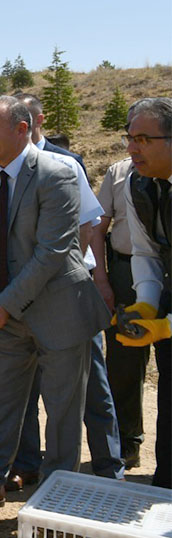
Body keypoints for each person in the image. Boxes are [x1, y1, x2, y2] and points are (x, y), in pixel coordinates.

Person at [0, 95, 110, 504]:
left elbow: (53, 252)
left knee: (63, 416)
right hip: (3, 316)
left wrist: (3, 303)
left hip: (60, 314)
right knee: (1, 409)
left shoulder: (57, 173)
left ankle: (54, 503)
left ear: (22, 129)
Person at [114, 97, 172, 488]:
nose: (132, 148)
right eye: (129, 138)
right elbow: (146, 249)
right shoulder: (137, 184)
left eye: (144, 139)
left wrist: (166, 326)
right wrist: (147, 302)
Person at [95, 156, 150, 472]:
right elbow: (98, 227)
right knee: (124, 362)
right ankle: (128, 442)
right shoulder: (119, 171)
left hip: (165, 272)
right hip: (125, 274)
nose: (135, 144)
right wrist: (101, 278)